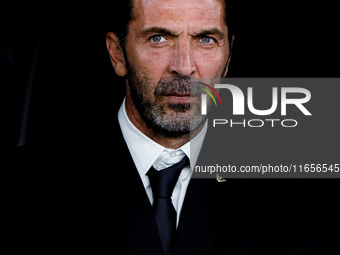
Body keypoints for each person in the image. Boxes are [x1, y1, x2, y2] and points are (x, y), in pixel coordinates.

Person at [8, 0, 337, 254]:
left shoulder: (288, 170)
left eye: (206, 39)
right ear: (118, 53)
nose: (184, 67)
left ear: (229, 55)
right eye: (158, 38)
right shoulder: (34, 178)